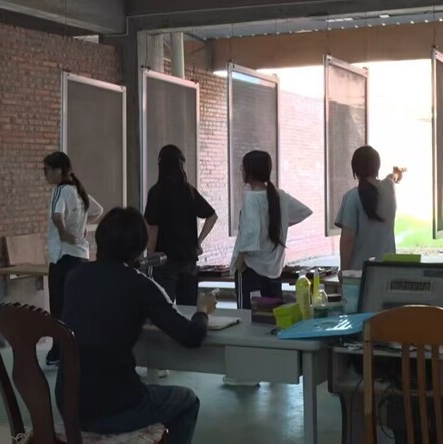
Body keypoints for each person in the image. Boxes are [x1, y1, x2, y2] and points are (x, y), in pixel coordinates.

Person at [56, 207, 210, 444]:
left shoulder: (75, 277)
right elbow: (191, 336)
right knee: (187, 401)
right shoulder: (140, 285)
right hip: (116, 408)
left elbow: (100, 311)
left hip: (70, 405)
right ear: (138, 250)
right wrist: (202, 311)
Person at [42, 152, 103, 367]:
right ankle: (75, 350)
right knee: (76, 307)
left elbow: (56, 216)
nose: (45, 175)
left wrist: (64, 233)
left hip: (63, 257)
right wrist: (83, 227)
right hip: (81, 258)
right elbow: (97, 210)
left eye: (47, 170)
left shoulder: (60, 190)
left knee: (58, 308)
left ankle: (59, 352)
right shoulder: (78, 190)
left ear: (59, 170)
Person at [231, 150, 312, 311]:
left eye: (242, 167)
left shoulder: (251, 197)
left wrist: (238, 262)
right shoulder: (280, 195)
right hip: (274, 269)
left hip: (251, 269)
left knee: (248, 318)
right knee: (273, 317)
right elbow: (304, 212)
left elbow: (250, 233)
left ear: (250, 171)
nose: (241, 170)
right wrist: (278, 224)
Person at [145, 144, 218, 306]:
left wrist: (150, 253)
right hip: (188, 259)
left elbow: (153, 226)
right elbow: (212, 216)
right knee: (188, 308)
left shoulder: (156, 192)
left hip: (165, 260)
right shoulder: (189, 191)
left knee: (164, 308)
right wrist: (198, 241)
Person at [335, 145, 403, 277]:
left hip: (360, 276)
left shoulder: (352, 197)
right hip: (388, 273)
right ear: (377, 167)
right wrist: (397, 174)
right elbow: (391, 178)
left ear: (355, 170)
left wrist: (344, 271)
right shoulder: (389, 190)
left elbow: (348, 239)